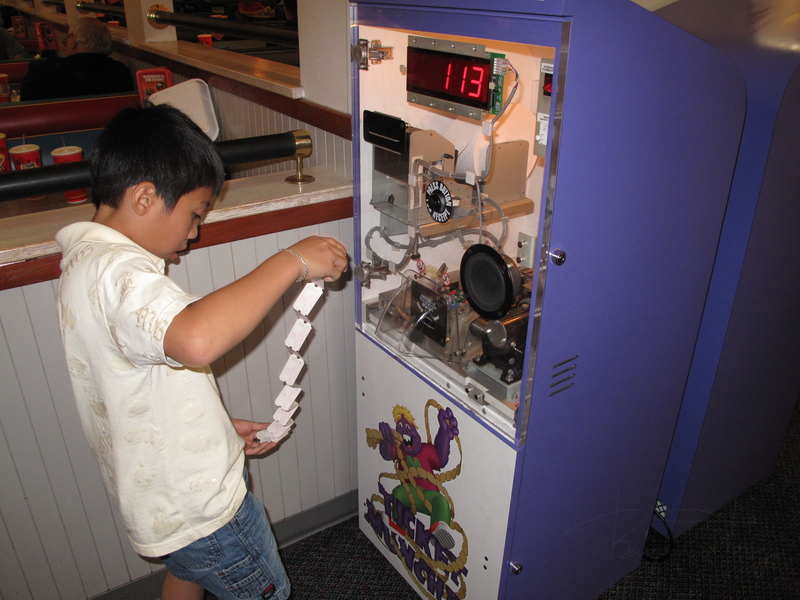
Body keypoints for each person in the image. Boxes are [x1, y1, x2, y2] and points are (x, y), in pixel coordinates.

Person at [54, 104, 349, 600]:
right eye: (194, 214)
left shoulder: (83, 263)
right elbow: (196, 339)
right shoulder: (120, 275)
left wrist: (213, 428)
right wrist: (293, 260)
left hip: (166, 502)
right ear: (144, 198)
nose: (194, 233)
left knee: (189, 571)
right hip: (206, 512)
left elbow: (136, 384)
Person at [20, 17, 133, 101]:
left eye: (68, 38)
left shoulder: (42, 71)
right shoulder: (120, 72)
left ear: (74, 41)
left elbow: (26, 110)